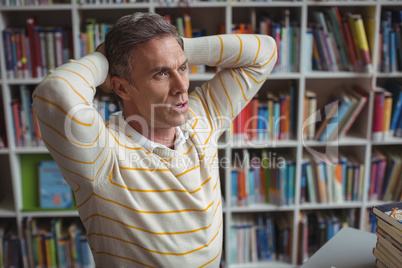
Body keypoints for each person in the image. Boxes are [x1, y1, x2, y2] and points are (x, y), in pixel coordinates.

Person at [32, 12, 277, 267]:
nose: (182, 86)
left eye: (182, 67)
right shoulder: (102, 154)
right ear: (121, 88)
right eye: (161, 74)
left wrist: (173, 46)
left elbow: (264, 52)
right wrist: (104, 59)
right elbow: (56, 91)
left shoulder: (201, 117)